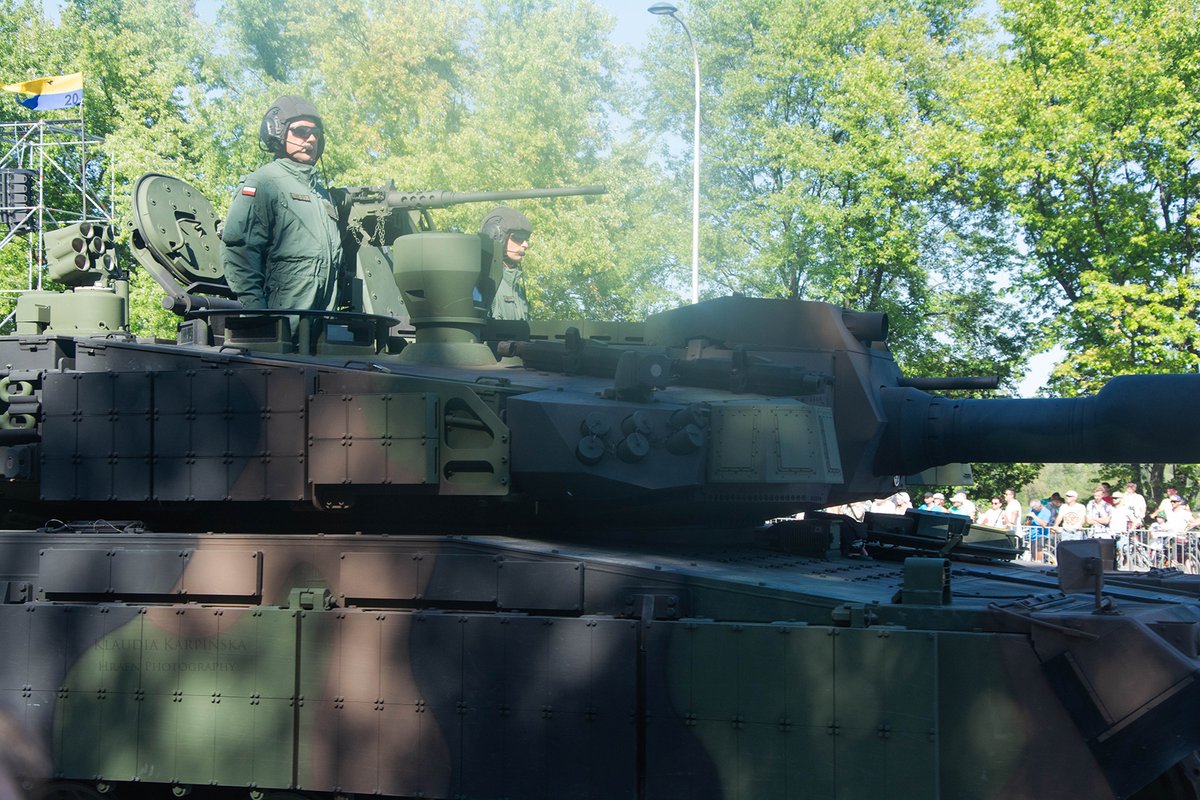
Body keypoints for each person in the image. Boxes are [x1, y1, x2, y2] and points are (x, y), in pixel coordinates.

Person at [221, 95, 343, 312]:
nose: (312, 139)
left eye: (316, 133)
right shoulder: (264, 183)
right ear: (277, 132)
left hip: (321, 317)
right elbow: (240, 251)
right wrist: (258, 314)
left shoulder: (321, 194)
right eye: (302, 132)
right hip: (280, 319)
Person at [480, 206, 533, 321]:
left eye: (526, 239)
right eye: (518, 237)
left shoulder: (517, 288)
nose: (525, 245)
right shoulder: (484, 282)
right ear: (497, 236)